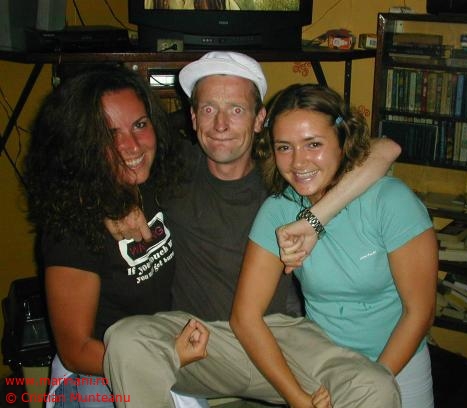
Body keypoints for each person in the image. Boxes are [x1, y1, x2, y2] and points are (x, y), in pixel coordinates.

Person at [103, 51, 402, 408]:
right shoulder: (174, 168)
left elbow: (385, 149)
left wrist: (315, 218)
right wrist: (115, 200)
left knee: (373, 387)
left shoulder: (287, 172)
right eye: (209, 109)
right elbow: (97, 158)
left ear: (260, 119)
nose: (221, 125)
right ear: (193, 117)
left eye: (236, 109)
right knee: (126, 341)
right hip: (201, 342)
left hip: (279, 339)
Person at [230, 83, 438, 408]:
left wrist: (370, 384)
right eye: (284, 147)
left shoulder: (390, 201)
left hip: (398, 363)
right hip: (325, 365)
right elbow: (245, 318)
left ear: (343, 139)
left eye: (313, 144)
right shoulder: (279, 210)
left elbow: (421, 313)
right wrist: (296, 397)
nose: (298, 162)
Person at [22, 65, 210, 408]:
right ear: (81, 143)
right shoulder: (72, 227)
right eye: (109, 134)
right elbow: (76, 350)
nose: (131, 146)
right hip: (97, 372)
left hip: (160, 351)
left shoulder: (158, 179)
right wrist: (163, 357)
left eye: (140, 125)